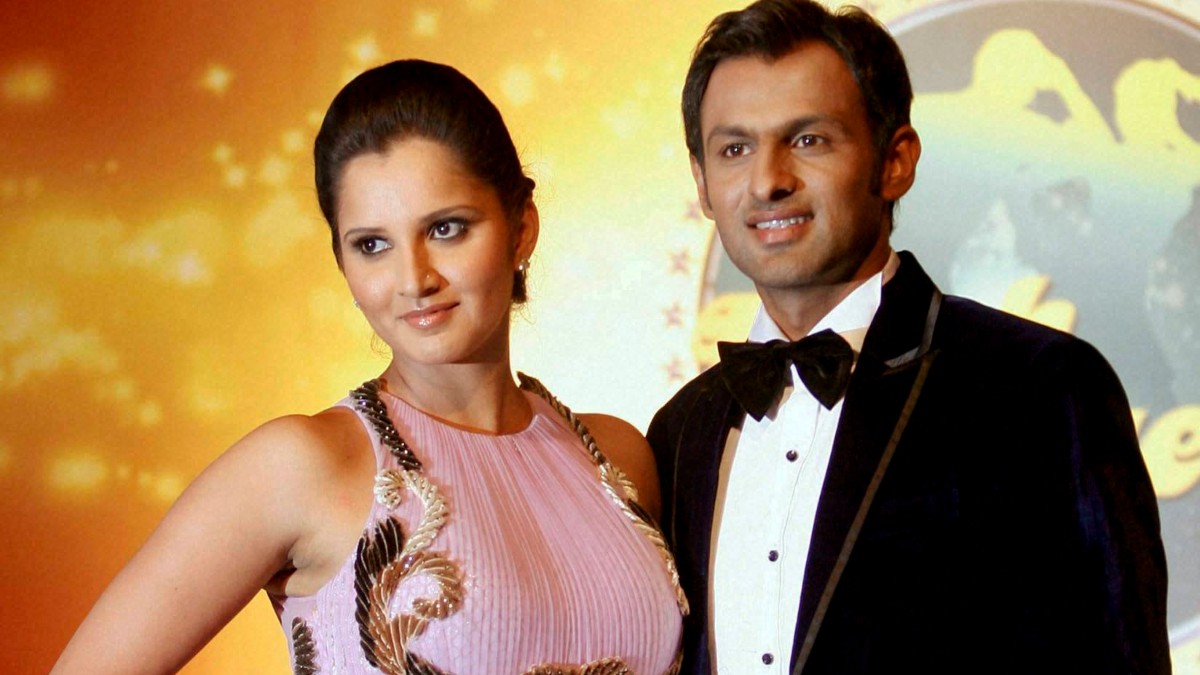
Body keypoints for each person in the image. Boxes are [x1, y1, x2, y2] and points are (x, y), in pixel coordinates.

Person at [53, 59, 686, 675]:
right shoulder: (302, 465)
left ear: (521, 228)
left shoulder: (620, 459)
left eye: (447, 229)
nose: (414, 279)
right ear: (342, 262)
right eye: (372, 245)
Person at [646, 1, 1171, 673]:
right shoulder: (681, 431)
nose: (768, 181)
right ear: (702, 182)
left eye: (809, 140)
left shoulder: (1038, 387)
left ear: (895, 161)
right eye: (735, 149)